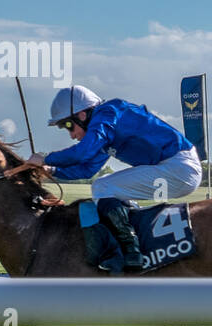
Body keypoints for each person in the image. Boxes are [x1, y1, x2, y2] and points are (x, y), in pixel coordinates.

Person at [28, 86, 202, 271]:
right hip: (174, 168)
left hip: (180, 168)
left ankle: (132, 251)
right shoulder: (104, 128)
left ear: (82, 115)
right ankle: (138, 242)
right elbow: (86, 169)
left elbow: (83, 152)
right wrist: (51, 170)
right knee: (106, 187)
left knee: (103, 187)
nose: (71, 135)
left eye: (69, 126)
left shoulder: (108, 112)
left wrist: (46, 158)